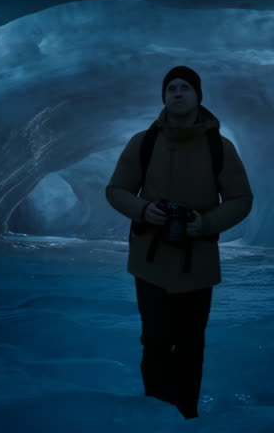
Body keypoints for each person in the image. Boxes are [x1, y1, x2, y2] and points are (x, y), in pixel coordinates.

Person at [105, 65, 254, 419]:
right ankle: (156, 415)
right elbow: (116, 190)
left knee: (190, 346)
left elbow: (241, 199)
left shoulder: (220, 147)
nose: (177, 93)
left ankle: (187, 416)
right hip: (151, 261)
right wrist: (144, 211)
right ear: (164, 97)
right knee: (155, 343)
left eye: (185, 87)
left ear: (198, 95)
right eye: (171, 88)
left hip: (197, 262)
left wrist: (205, 223)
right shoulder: (144, 142)